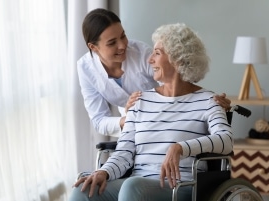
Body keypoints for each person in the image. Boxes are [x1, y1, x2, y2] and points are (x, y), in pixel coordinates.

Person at [69, 23, 233, 201]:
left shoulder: (208, 100)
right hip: (135, 184)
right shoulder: (140, 101)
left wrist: (180, 148)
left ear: (177, 58)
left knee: (133, 187)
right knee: (84, 190)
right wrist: (103, 172)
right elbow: (124, 151)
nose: (150, 60)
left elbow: (226, 140)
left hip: (181, 187)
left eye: (157, 53)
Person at [77, 8, 231, 136]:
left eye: (123, 36)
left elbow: (175, 86)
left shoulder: (141, 53)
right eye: (112, 43)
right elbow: (99, 120)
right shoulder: (85, 68)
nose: (123, 45)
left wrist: (208, 102)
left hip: (167, 121)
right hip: (134, 127)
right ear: (93, 47)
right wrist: (130, 118)